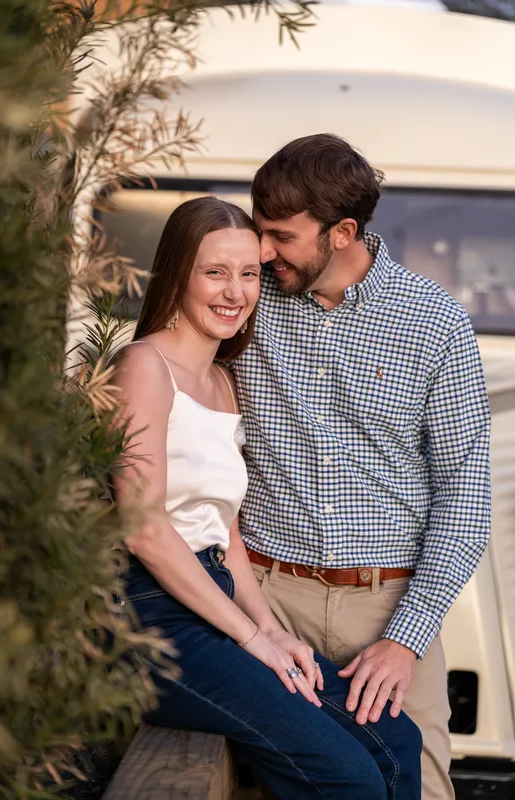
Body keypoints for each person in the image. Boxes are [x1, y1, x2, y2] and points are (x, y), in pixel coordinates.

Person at [111, 196, 422, 799]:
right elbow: (143, 526)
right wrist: (251, 639)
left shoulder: (223, 379)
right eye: (215, 272)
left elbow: (225, 534)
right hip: (151, 615)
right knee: (345, 774)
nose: (236, 292)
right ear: (178, 272)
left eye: (249, 273)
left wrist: (271, 631)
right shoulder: (144, 366)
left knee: (393, 737)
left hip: (213, 597)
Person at [230, 134, 492, 800]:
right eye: (258, 230)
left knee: (420, 786)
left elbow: (464, 500)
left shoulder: (434, 321)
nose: (261, 252)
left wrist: (403, 640)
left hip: (387, 604)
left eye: (279, 236)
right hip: (267, 600)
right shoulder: (243, 301)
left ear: (342, 232)